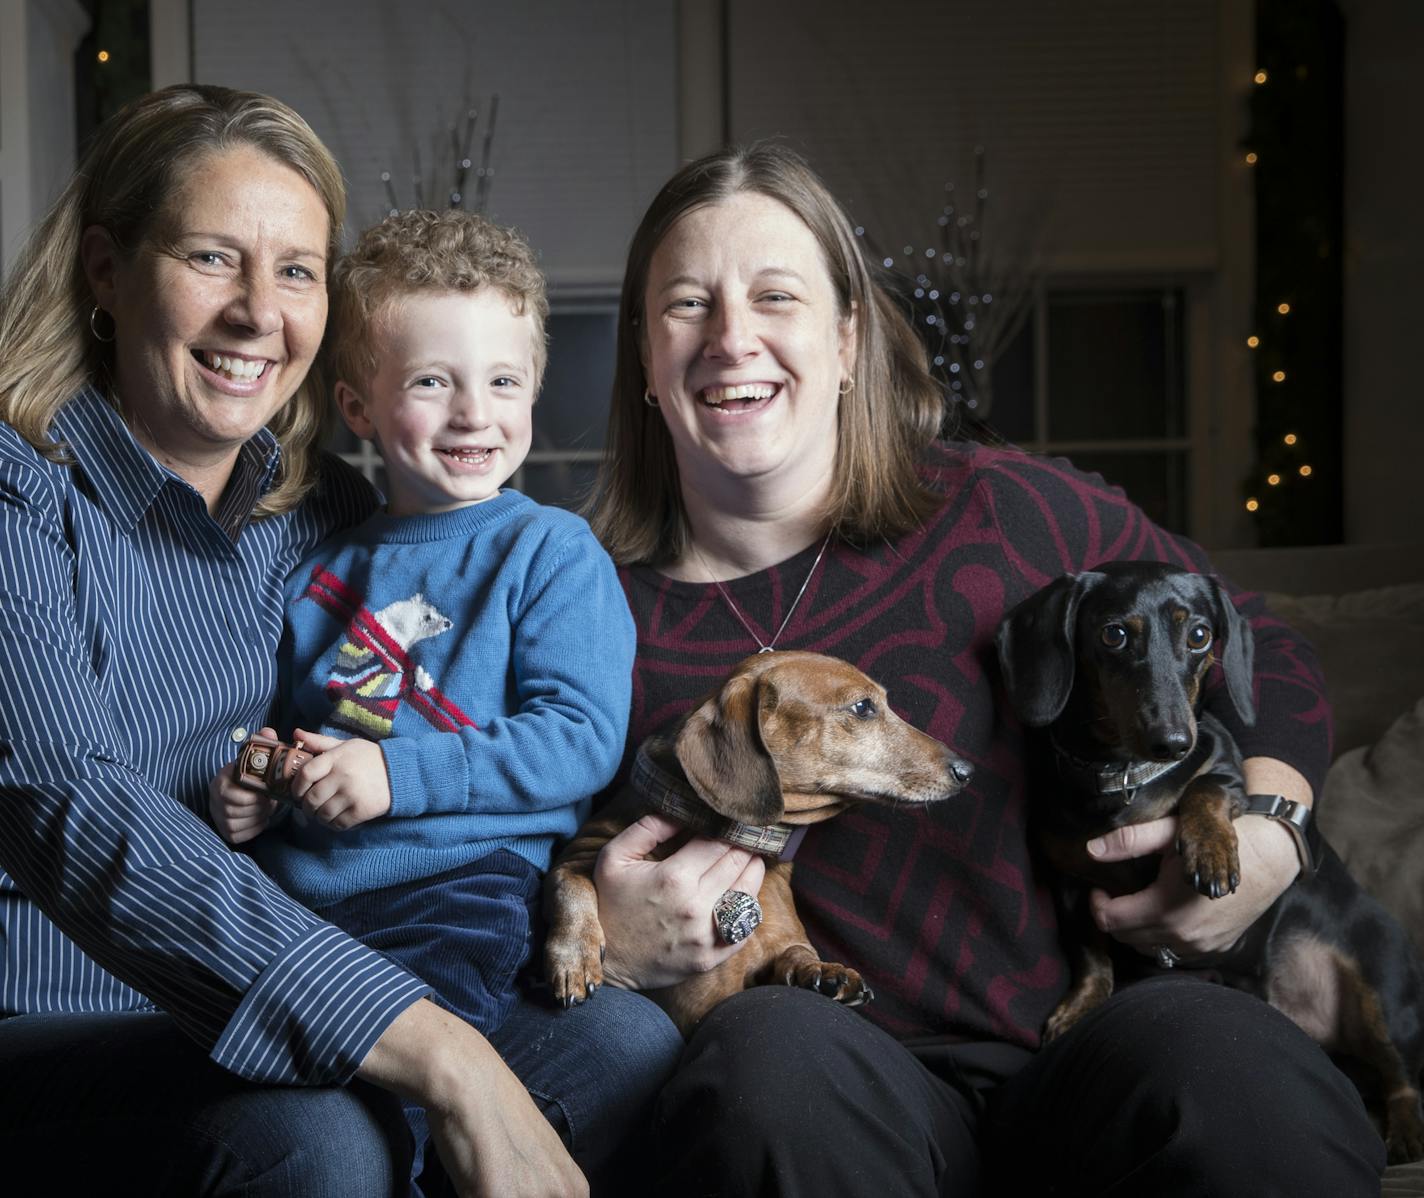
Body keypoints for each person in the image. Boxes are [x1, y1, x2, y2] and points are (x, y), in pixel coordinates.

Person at [582, 141, 1386, 1195]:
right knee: (768, 1060)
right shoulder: (578, 605)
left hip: (1092, 1036)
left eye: (775, 296)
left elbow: (1254, 644)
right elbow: (479, 864)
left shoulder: (1007, 510)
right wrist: (608, 937)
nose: (732, 339)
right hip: (829, 1077)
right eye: (686, 304)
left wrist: (1270, 833)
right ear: (643, 356)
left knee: (1230, 1065)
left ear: (845, 337)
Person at [0, 84, 679, 1198]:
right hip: (61, 1017)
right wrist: (439, 1050)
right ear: (106, 273)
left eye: (298, 270)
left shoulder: (325, 524)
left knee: (624, 1046)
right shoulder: (19, 494)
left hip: (293, 986)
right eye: (212, 258)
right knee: (322, 1143)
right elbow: (73, 801)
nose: (258, 313)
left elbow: (459, 730)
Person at [208, 208, 636, 1177]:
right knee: (269, 1084)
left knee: (382, 1100)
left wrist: (396, 776)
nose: (472, 413)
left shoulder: (547, 552)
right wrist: (256, 786)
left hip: (456, 886)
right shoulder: (321, 568)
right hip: (299, 891)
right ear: (360, 408)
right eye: (431, 382)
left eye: (501, 381)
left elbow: (578, 738)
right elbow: (296, 724)